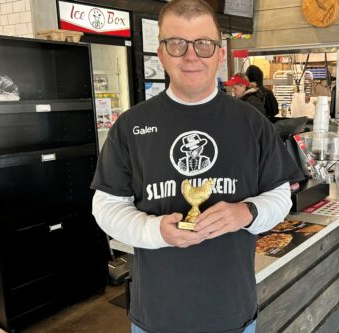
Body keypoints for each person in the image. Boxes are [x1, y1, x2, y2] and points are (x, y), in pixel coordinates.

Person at [90, 1, 303, 333]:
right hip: (156, 316)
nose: (191, 56)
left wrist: (245, 213)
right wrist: (154, 230)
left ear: (219, 54)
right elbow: (106, 207)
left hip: (232, 313)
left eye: (204, 44)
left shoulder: (252, 123)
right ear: (161, 53)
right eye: (177, 44)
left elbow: (280, 198)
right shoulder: (132, 126)